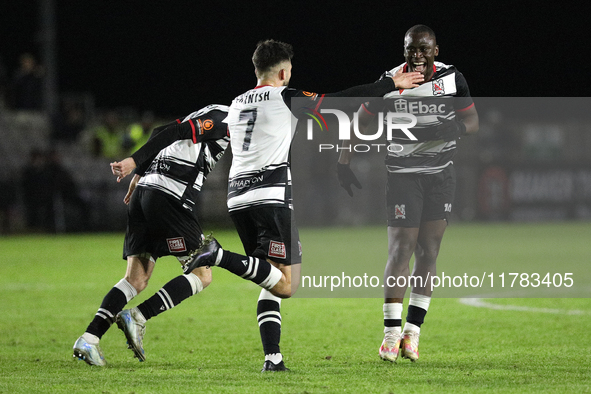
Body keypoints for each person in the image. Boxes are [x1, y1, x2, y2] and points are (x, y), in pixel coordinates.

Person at [184, 39, 424, 372]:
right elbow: (338, 101)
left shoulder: (236, 103)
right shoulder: (284, 95)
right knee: (288, 284)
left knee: (271, 277)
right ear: (283, 71)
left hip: (237, 199)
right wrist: (389, 85)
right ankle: (217, 254)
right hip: (270, 196)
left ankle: (273, 358)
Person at [337, 25, 479, 363]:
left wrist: (456, 127)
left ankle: (412, 334)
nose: (416, 54)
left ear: (436, 50)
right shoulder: (390, 81)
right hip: (402, 175)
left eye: (423, 48)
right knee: (401, 248)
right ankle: (389, 335)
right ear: (404, 50)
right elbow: (361, 120)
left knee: (429, 250)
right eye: (410, 48)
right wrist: (344, 160)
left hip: (440, 175)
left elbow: (473, 121)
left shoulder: (453, 79)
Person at [73, 104, 230, 366]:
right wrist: (134, 162)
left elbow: (160, 129)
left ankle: (89, 338)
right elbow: (177, 131)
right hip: (169, 195)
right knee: (202, 273)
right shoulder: (229, 118)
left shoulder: (209, 111)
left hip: (144, 192)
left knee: (136, 279)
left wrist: (140, 174)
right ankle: (139, 316)